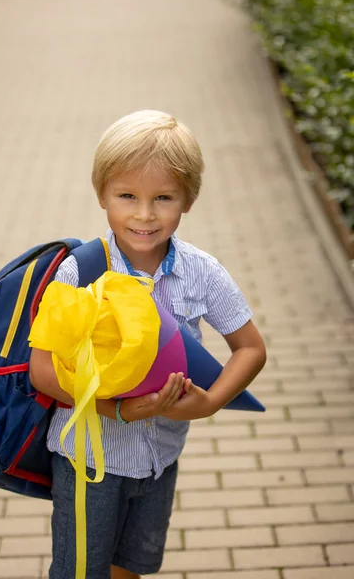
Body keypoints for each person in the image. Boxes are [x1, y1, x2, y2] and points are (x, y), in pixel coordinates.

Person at [30, 110, 267, 579]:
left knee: (129, 569)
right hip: (90, 462)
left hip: (160, 460)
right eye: (126, 196)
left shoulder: (202, 272)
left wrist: (210, 403)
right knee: (81, 570)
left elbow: (250, 348)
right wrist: (116, 410)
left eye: (163, 197)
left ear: (188, 199)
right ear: (102, 194)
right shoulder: (80, 272)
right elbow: (43, 372)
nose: (144, 214)